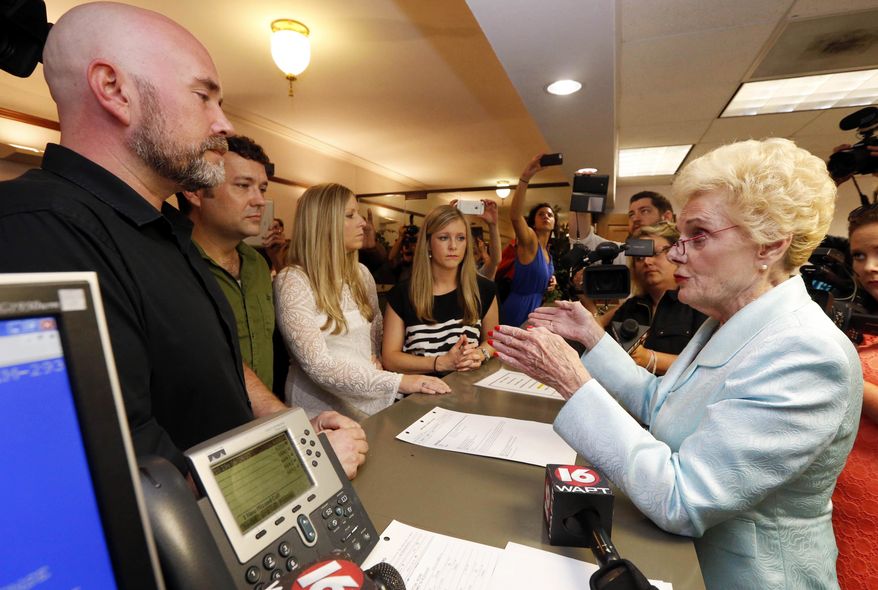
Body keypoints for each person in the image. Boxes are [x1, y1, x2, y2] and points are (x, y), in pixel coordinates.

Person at [0, 2, 367, 478]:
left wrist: (288, 428)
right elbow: (124, 467)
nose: (224, 125)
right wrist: (295, 464)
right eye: (203, 96)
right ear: (114, 89)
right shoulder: (39, 230)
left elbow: (218, 367)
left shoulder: (164, 229)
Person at [491, 138, 862, 588]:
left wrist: (572, 380)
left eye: (698, 236)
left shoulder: (806, 353)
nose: (676, 253)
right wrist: (591, 335)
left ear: (769, 246)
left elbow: (685, 499)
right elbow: (660, 401)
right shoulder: (726, 321)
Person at [274, 183, 449, 419]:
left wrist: (377, 360)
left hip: (370, 401)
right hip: (321, 412)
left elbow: (374, 334)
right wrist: (401, 381)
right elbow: (319, 366)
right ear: (324, 224)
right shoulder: (293, 281)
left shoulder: (361, 273)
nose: (363, 223)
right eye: (350, 215)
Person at [178, 135, 276, 389]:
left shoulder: (258, 265)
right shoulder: (175, 266)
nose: (259, 200)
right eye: (243, 185)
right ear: (196, 191)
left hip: (264, 421)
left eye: (262, 189)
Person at [383, 205, 498, 375]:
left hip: (469, 391)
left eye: (460, 238)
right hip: (419, 395)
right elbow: (390, 359)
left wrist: (480, 354)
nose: (453, 246)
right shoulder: (402, 294)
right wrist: (439, 363)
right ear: (428, 243)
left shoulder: (484, 289)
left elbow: (492, 341)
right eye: (444, 238)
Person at [831, 194, 878, 590]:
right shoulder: (856, 318)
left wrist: (836, 371)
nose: (869, 268)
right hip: (838, 501)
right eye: (859, 256)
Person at [602, 221, 706, 375]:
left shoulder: (698, 304)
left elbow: (708, 365)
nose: (647, 262)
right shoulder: (630, 307)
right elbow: (606, 356)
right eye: (639, 258)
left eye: (654, 253)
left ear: (676, 253)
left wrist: (650, 359)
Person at [501, 154, 557, 326]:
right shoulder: (530, 240)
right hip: (518, 309)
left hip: (535, 310)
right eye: (541, 214)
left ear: (554, 223)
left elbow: (542, 278)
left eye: (550, 214)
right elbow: (516, 217)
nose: (546, 216)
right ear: (533, 221)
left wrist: (552, 282)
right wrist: (525, 177)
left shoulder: (547, 253)